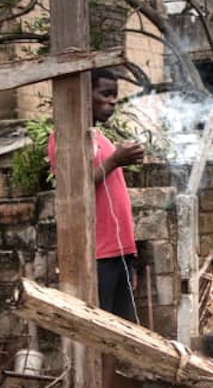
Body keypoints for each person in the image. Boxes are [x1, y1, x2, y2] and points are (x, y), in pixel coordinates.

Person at [47, 68, 145, 322]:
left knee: (120, 332)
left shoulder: (100, 137)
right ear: (85, 95)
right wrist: (115, 160)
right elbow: (74, 188)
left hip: (120, 251)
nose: (112, 101)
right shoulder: (64, 137)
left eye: (115, 95)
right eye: (106, 94)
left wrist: (130, 254)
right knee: (101, 331)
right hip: (98, 252)